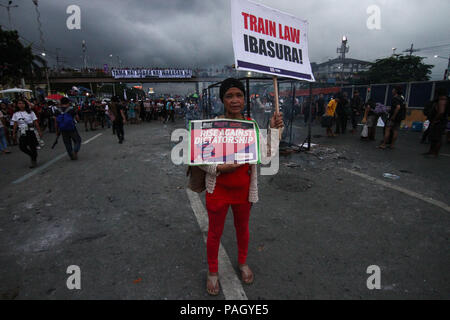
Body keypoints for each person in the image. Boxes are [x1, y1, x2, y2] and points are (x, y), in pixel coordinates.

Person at [198, 78, 284, 296]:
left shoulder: (251, 125)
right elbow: (201, 158)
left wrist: (274, 131)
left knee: (242, 228)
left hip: (244, 191)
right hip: (217, 190)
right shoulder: (213, 125)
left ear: (245, 98)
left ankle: (243, 262)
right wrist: (218, 167)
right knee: (214, 233)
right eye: (229, 96)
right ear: (222, 100)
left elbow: (265, 156)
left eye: (239, 95)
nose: (235, 100)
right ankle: (213, 272)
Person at [11, 99, 42, 168]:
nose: (21, 105)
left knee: (32, 146)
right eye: (19, 103)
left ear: (25, 104)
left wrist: (39, 131)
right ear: (17, 105)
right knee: (22, 146)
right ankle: (32, 155)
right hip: (22, 132)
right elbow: (15, 124)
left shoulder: (30, 112)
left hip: (30, 131)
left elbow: (35, 122)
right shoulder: (16, 114)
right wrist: (14, 133)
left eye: (22, 103)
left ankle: (33, 161)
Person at [422, 88, 449, 157]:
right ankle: (431, 151)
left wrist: (435, 119)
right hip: (438, 121)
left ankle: (435, 153)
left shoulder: (442, 100)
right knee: (433, 137)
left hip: (439, 122)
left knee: (437, 138)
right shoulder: (441, 100)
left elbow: (441, 112)